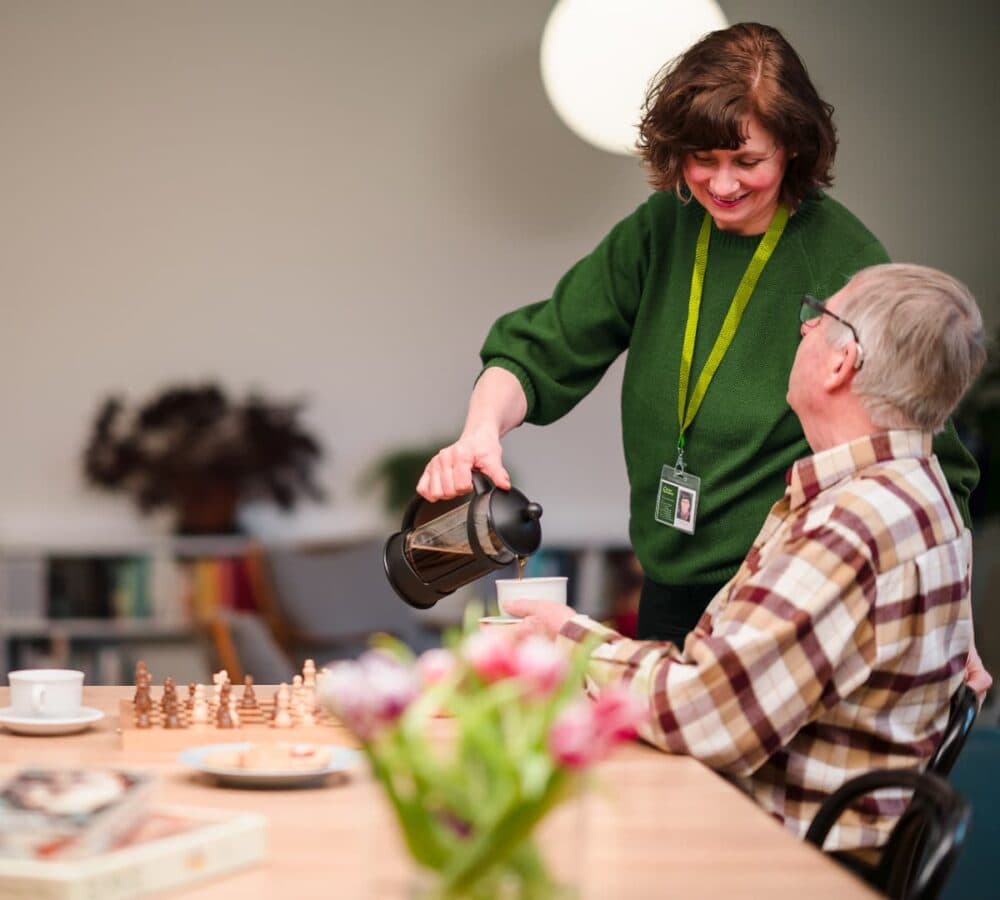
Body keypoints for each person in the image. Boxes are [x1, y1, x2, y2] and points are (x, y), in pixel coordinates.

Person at [416, 22, 979, 646]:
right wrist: (478, 433)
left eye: (748, 161)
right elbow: (538, 349)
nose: (723, 184)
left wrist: (953, 631)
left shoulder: (844, 259)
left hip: (779, 596)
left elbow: (931, 467)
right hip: (666, 585)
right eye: (702, 159)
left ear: (792, 148)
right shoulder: (665, 227)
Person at [505, 263, 988, 852]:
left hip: (772, 856)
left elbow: (705, 714)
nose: (805, 330)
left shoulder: (853, 524)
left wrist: (570, 642)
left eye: (821, 317)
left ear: (842, 362)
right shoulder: (924, 490)